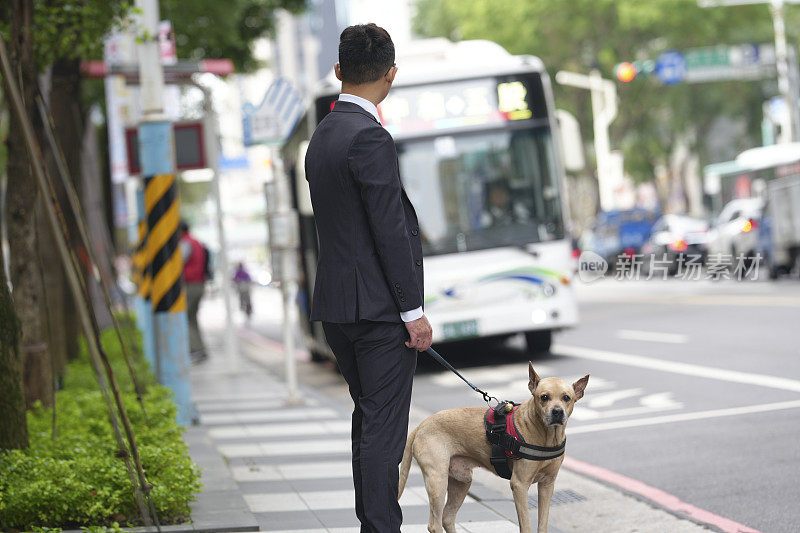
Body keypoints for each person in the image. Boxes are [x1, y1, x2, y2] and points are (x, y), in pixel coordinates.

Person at [304, 24, 433, 532]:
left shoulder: (321, 138)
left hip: (337, 310)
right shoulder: (369, 137)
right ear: (391, 74)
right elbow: (389, 232)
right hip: (379, 314)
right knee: (383, 428)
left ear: (339, 71)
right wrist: (414, 313)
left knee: (368, 421)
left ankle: (372, 524)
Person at [179, 221, 209, 364]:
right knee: (192, 318)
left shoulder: (186, 243)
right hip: (199, 283)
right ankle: (200, 349)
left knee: (186, 318)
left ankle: (196, 350)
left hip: (191, 285)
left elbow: (179, 262)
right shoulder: (195, 242)